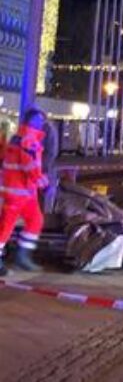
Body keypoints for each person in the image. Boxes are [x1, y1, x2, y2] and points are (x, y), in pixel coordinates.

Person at [0, 108, 49, 275]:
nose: (42, 123)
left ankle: (22, 257)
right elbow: (30, 165)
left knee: (35, 220)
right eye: (40, 120)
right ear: (33, 122)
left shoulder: (19, 138)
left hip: (22, 192)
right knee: (6, 228)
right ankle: (20, 258)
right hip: (19, 192)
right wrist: (42, 182)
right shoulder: (29, 140)